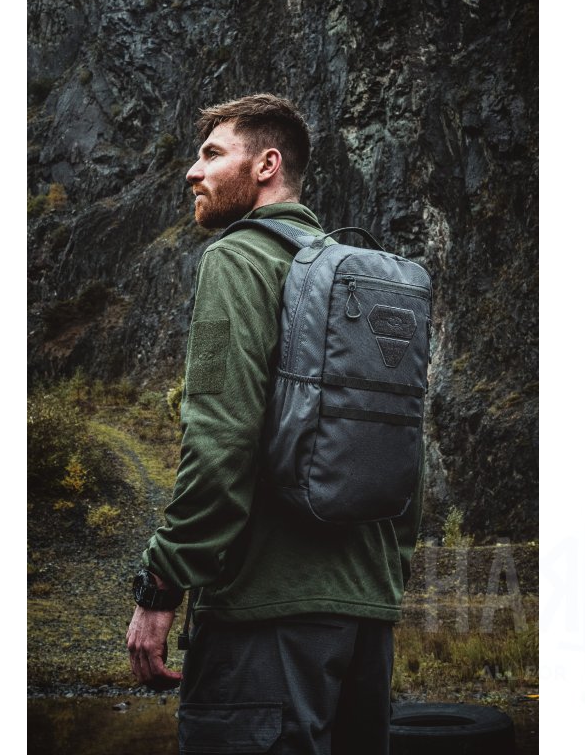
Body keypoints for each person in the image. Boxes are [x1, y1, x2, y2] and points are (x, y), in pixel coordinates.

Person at [126, 93, 423, 754]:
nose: (193, 172)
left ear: (266, 165)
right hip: (365, 623)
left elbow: (219, 441)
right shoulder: (360, 278)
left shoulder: (238, 260)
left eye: (212, 154)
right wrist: (382, 586)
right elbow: (406, 450)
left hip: (264, 620)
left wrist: (160, 586)